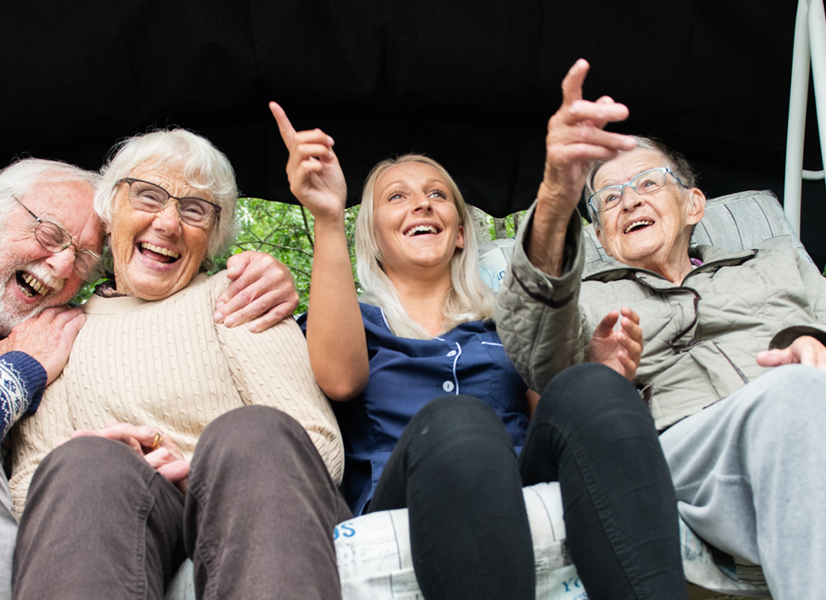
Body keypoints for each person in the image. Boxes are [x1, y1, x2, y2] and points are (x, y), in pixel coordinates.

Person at [0, 156, 299, 598]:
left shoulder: (63, 329)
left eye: (86, 260)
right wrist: (16, 370)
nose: (62, 266)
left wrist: (262, 276)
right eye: (51, 235)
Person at [270, 102, 687, 600]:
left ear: (462, 231)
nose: (422, 204)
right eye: (397, 197)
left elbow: (551, 421)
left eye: (438, 195)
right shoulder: (352, 321)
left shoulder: (504, 326)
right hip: (406, 489)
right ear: (374, 238)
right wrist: (329, 216)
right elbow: (340, 380)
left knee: (589, 384)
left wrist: (601, 375)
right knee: (459, 421)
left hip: (520, 479)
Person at [496, 58, 826, 600]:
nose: (629, 200)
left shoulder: (779, 258)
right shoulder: (587, 296)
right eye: (609, 197)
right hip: (686, 445)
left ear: (694, 203)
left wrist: (809, 341)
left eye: (649, 182)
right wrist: (558, 193)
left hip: (806, 409)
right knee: (793, 399)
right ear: (600, 230)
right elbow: (535, 353)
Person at [9, 128, 350, 600]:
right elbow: (25, 488)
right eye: (147, 196)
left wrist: (201, 472)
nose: (168, 223)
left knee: (252, 433)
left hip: (259, 505)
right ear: (109, 213)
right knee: (87, 464)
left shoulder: (239, 297)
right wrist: (100, 456)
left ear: (211, 236)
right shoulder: (62, 334)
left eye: (194, 210)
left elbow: (320, 447)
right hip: (120, 517)